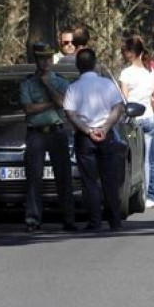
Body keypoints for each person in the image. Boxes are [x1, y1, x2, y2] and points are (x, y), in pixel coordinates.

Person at [63, 48, 126, 231]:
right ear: (95, 63)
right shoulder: (107, 84)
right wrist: (105, 128)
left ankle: (95, 221)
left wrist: (88, 130)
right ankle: (114, 220)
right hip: (106, 135)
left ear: (77, 66)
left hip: (85, 137)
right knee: (109, 178)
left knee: (89, 180)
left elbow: (70, 114)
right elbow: (118, 108)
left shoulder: (73, 88)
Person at [19, 42, 76, 233]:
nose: (45, 62)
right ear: (36, 60)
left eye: (48, 58)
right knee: (34, 177)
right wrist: (52, 103)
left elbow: (63, 102)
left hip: (56, 132)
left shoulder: (59, 81)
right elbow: (28, 108)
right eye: (42, 58)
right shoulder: (27, 83)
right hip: (36, 133)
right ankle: (33, 219)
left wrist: (47, 87)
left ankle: (68, 219)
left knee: (63, 177)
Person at [119, 35, 154, 209]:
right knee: (151, 160)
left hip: (133, 120)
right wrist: (149, 106)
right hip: (150, 118)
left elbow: (124, 99)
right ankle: (153, 197)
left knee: (135, 158)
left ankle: (139, 194)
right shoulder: (150, 72)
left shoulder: (126, 73)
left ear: (130, 53)